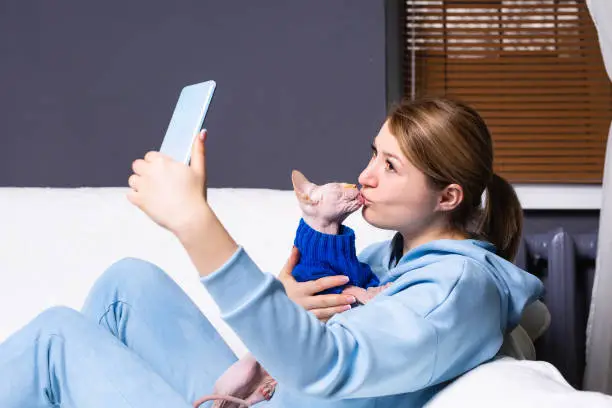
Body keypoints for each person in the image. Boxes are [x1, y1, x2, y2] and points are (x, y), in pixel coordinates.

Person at [0, 97, 543, 408]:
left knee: (54, 337)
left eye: (391, 166)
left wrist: (196, 222)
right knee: (128, 283)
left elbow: (331, 366)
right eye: (373, 155)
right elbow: (314, 351)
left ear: (448, 196)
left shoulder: (454, 289)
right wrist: (284, 306)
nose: (365, 176)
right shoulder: (388, 259)